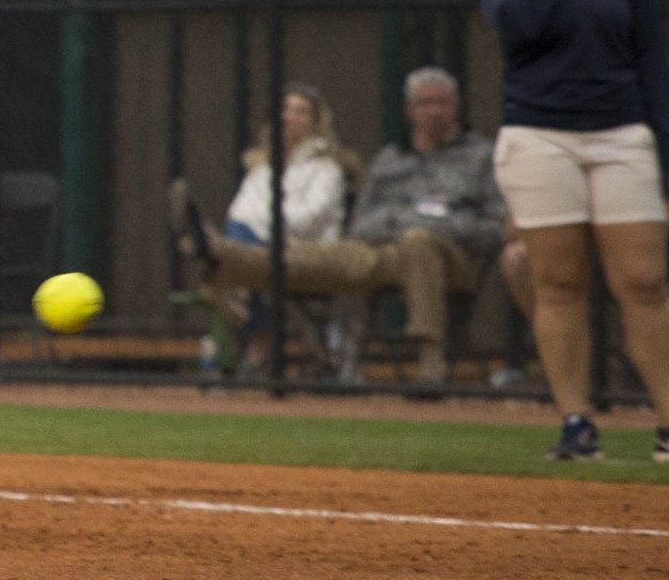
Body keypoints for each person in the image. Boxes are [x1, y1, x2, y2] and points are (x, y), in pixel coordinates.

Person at [479, 0, 669, 461]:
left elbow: (652, 57)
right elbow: (521, 27)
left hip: (620, 133)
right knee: (559, 283)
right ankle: (576, 422)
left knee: (644, 282)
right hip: (540, 136)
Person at [174, 70, 503, 384]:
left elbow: (496, 224)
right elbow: (361, 223)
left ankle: (431, 362)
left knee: (419, 241)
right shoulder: (391, 159)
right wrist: (395, 224)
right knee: (323, 256)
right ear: (409, 110)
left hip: (450, 256)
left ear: (456, 106)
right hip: (386, 249)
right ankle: (223, 255)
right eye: (424, 103)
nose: (433, 111)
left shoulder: (480, 157)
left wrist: (442, 226)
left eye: (441, 102)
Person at [170, 84, 354, 372]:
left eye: (300, 111)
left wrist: (263, 223)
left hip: (306, 252)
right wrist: (261, 225)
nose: (290, 117)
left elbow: (308, 220)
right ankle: (241, 312)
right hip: (257, 249)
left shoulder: (326, 169)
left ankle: (218, 269)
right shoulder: (262, 167)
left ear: (317, 122)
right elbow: (239, 212)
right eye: (285, 109)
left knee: (232, 255)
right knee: (243, 242)